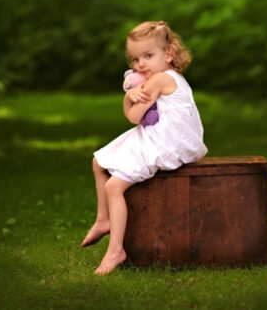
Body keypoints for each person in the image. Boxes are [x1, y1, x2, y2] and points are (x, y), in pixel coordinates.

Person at [80, 20, 208, 275]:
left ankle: (116, 249)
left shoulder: (160, 79)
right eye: (134, 59)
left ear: (169, 54)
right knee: (98, 162)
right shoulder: (170, 77)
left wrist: (129, 96)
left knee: (113, 186)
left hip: (169, 144)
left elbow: (133, 116)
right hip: (168, 137)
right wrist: (131, 97)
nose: (140, 64)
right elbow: (136, 116)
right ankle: (103, 219)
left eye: (148, 56)